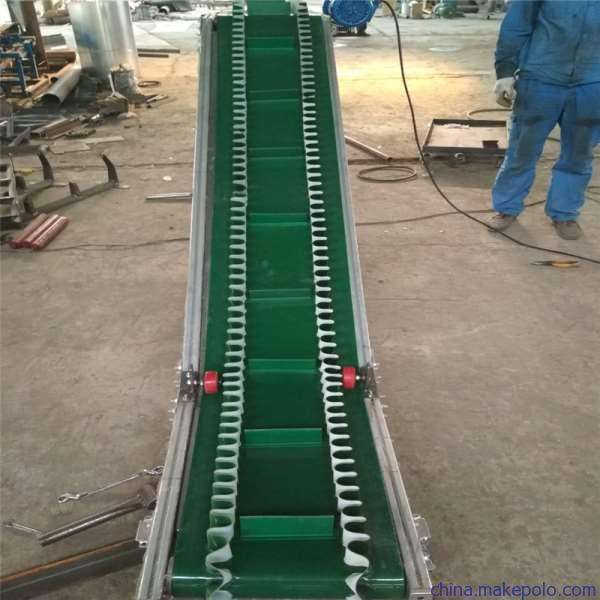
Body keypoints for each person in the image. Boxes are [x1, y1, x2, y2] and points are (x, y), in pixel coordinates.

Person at [489, 0, 600, 240]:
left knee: (579, 155)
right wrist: (505, 72)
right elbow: (516, 25)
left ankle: (565, 213)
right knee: (522, 150)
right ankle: (506, 207)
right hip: (540, 78)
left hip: (592, 83)